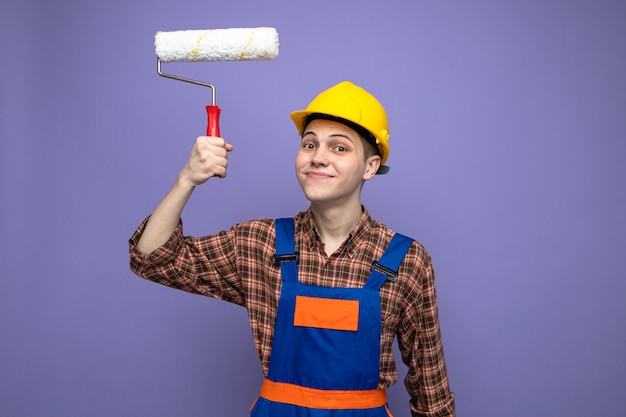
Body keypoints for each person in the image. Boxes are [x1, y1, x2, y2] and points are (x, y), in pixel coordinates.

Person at [129, 81, 456, 417]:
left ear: (370, 167)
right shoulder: (260, 243)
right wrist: (187, 179)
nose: (318, 158)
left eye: (339, 148)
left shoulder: (406, 260)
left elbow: (431, 392)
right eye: (309, 144)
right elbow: (152, 259)